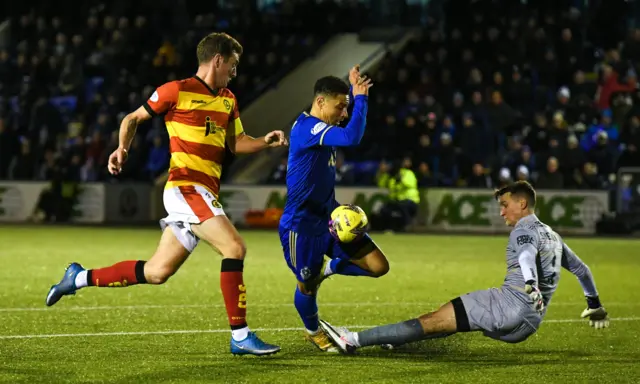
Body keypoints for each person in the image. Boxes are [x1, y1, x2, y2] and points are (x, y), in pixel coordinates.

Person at [45, 32, 287, 356]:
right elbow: (133, 118)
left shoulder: (228, 99)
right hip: (186, 186)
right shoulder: (177, 90)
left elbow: (234, 144)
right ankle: (240, 335)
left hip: (202, 191)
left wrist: (264, 142)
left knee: (157, 272)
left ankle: (77, 278)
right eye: (233, 63)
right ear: (218, 59)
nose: (235, 71)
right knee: (234, 247)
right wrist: (122, 148)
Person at [320, 181, 610, 353]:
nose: (502, 211)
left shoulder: (523, 231)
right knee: (451, 320)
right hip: (529, 323)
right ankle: (397, 341)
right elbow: (582, 270)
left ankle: (352, 340)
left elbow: (525, 257)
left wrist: (531, 283)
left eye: (506, 204)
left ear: (523, 203)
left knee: (430, 320)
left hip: (506, 308)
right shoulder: (553, 235)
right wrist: (594, 303)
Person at [279, 66, 390, 352]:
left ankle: (328, 268)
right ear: (320, 102)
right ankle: (313, 330)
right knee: (307, 285)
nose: (344, 114)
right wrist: (360, 97)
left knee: (379, 266)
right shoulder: (307, 128)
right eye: (340, 107)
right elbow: (353, 138)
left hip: (331, 220)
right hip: (301, 226)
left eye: (347, 108)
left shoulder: (324, 130)